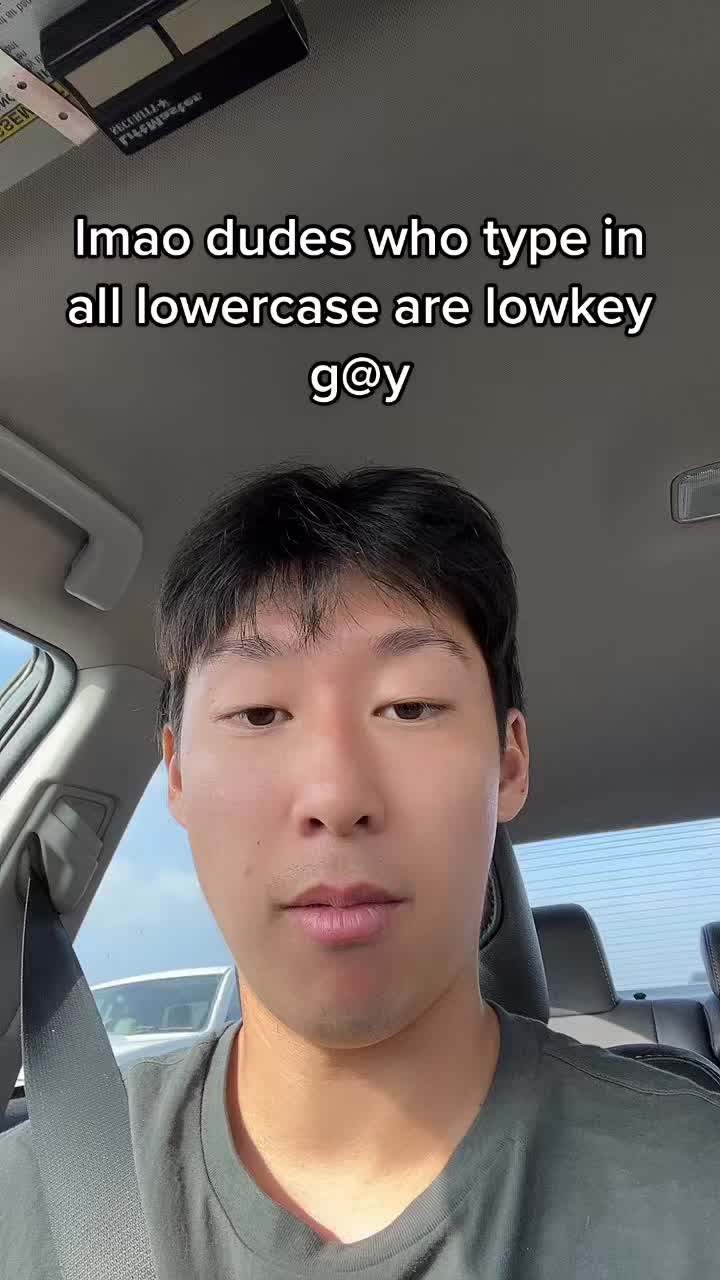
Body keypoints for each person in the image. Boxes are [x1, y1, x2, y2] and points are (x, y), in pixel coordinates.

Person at [2, 463, 719, 1278]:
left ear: (510, 764)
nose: (336, 797)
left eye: (410, 707)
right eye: (259, 713)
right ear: (177, 776)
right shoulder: (30, 1204)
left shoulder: (691, 1196)